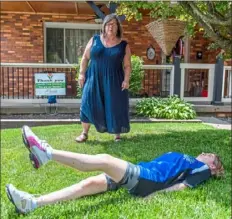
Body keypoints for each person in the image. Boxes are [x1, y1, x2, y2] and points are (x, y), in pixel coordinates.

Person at [6, 126, 224, 214]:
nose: (205, 153)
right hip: (143, 171)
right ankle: (32, 203)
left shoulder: (203, 168)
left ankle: (47, 152)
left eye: (209, 155)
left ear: (213, 164)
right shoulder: (192, 160)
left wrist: (154, 195)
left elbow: (183, 186)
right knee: (87, 184)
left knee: (104, 159)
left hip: (148, 179)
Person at [76, 13, 132, 143]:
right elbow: (85, 58)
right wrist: (81, 73)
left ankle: (117, 135)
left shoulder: (123, 45)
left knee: (115, 105)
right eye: (108, 24)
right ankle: (84, 133)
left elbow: (127, 65)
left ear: (118, 27)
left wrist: (126, 79)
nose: (110, 27)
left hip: (114, 80)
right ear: (104, 26)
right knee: (87, 103)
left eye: (114, 24)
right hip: (93, 78)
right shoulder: (94, 40)